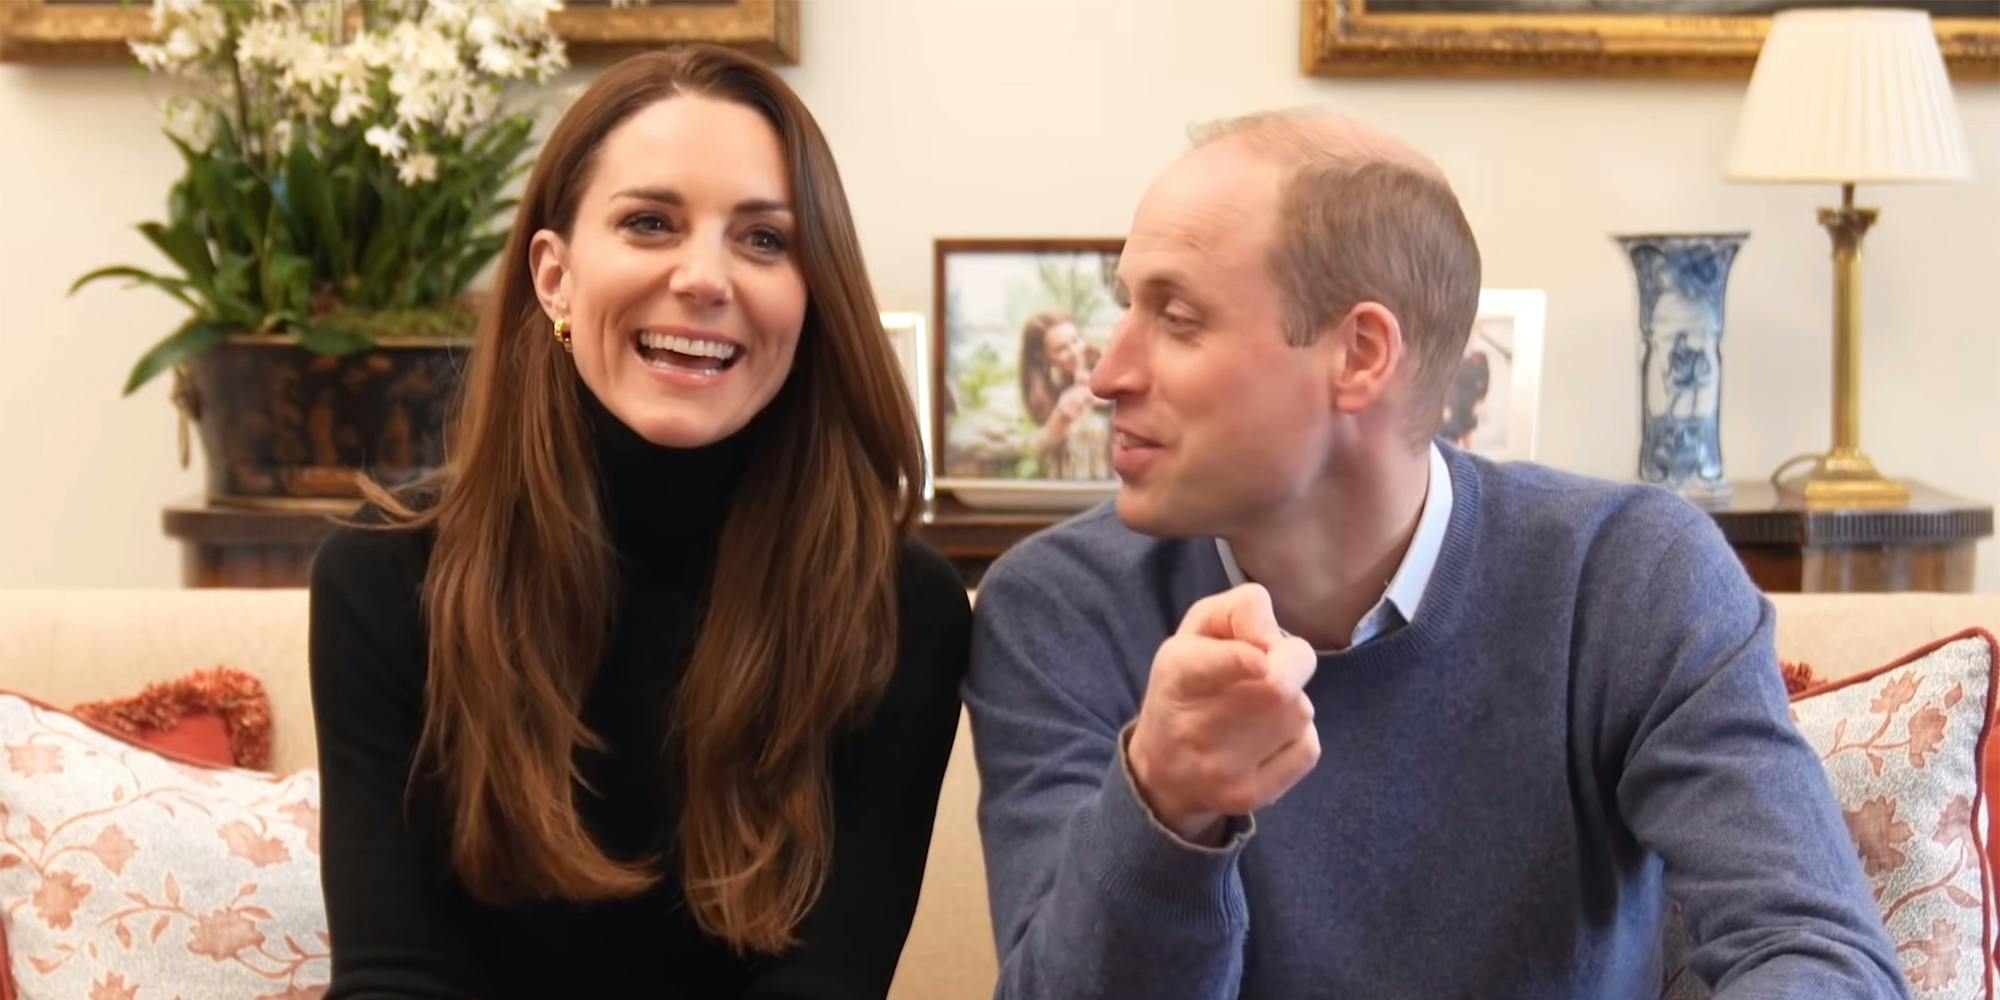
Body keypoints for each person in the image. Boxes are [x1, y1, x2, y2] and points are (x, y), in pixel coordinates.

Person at [962, 110, 1904, 998]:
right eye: (1128, 307)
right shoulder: (1055, 609)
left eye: (1176, 317)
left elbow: (1816, 952)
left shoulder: (1629, 576)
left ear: (1359, 354)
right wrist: (1165, 804)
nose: (1104, 374)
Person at [308, 45, 972, 999]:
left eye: (765, 240)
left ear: (810, 295)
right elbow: (394, 979)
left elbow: (823, 986)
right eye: (651, 223)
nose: (705, 277)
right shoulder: (385, 577)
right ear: (553, 276)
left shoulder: (901, 607)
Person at [1017, 311, 1110, 480]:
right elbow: (1036, 448)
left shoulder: (1105, 364)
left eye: (1075, 340)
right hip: (1069, 478)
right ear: (1043, 356)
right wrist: (1060, 419)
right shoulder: (1041, 390)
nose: (1075, 352)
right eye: (1061, 349)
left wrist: (1110, 400)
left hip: (1108, 476)